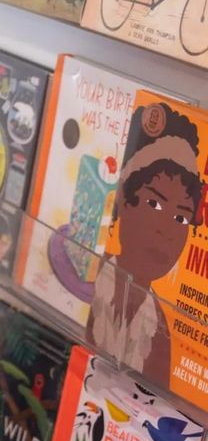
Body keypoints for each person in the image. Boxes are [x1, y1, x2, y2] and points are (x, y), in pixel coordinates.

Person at [86, 101, 203, 383]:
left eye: (181, 219)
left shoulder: (161, 335)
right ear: (124, 197)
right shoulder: (85, 277)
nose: (166, 230)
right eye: (154, 203)